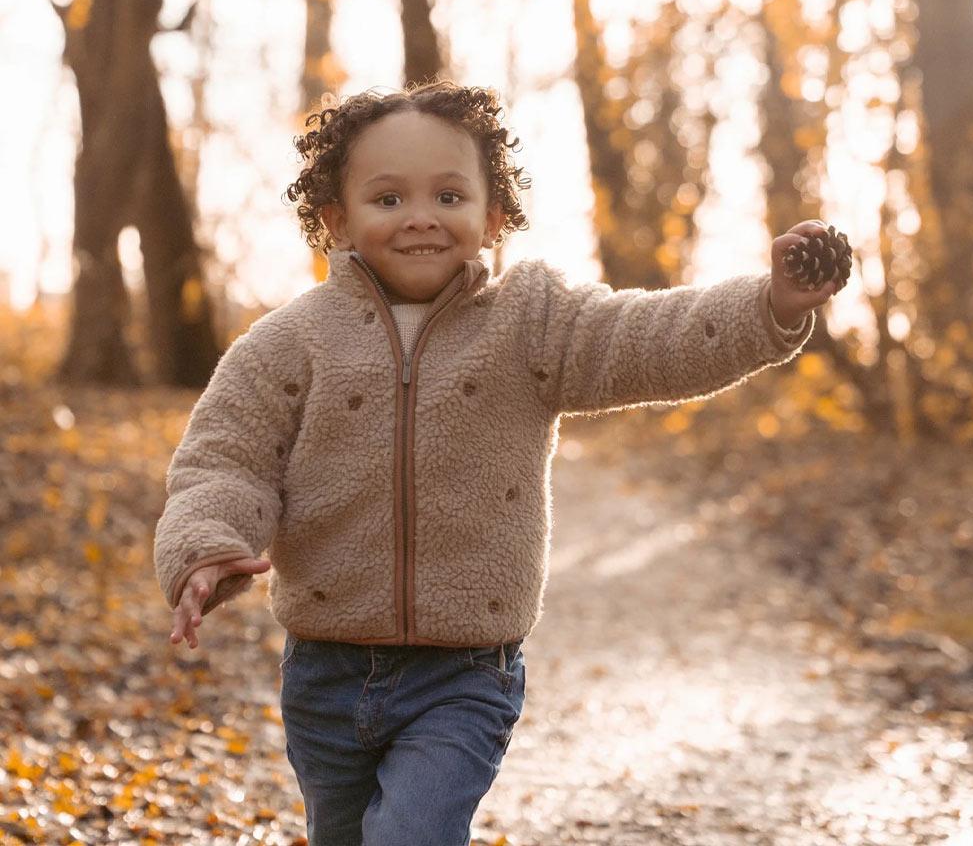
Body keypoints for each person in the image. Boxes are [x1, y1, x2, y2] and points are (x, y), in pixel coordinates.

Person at [153, 79, 839, 845]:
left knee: (411, 834)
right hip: (326, 668)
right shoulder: (290, 344)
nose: (421, 217)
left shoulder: (531, 323)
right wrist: (206, 547)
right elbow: (227, 458)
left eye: (449, 195)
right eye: (388, 200)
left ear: (494, 216)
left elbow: (652, 339)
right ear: (337, 220)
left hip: (466, 672)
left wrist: (771, 304)